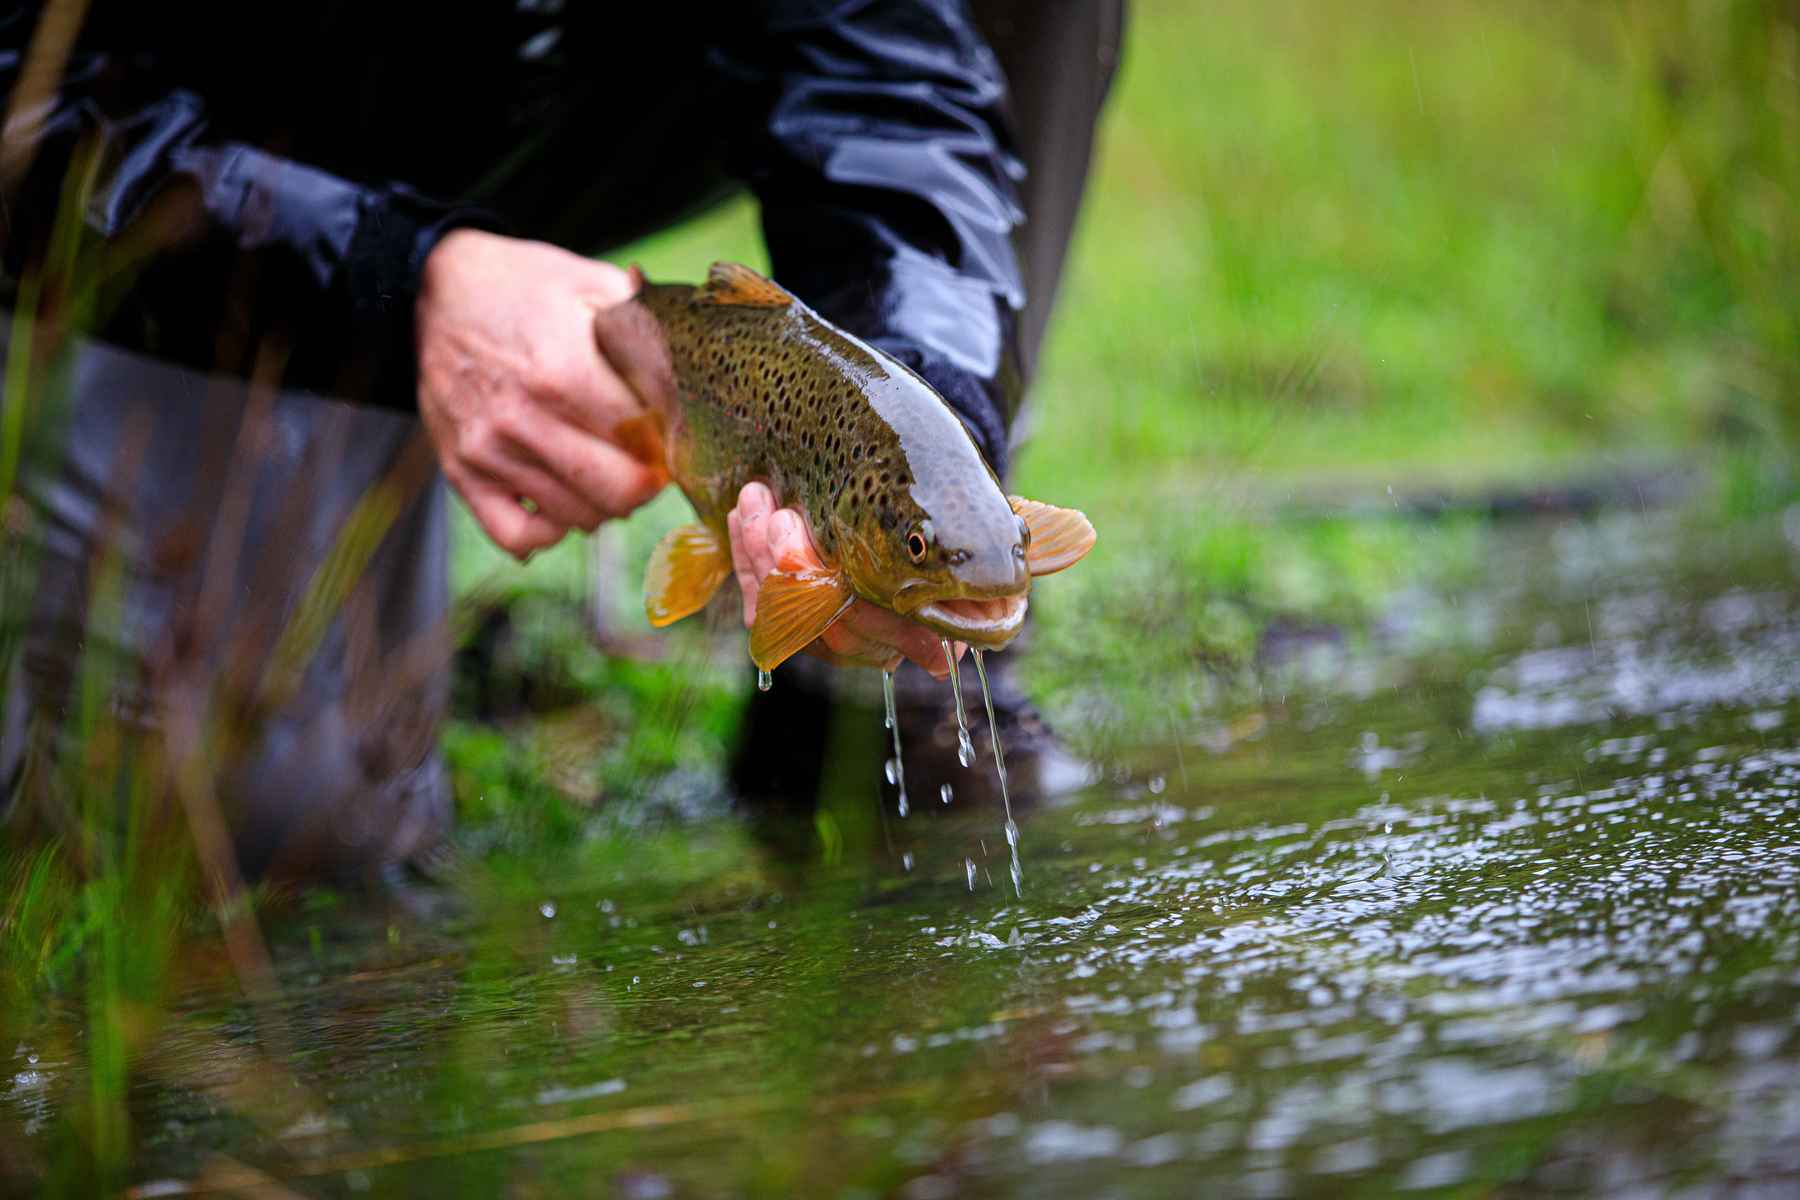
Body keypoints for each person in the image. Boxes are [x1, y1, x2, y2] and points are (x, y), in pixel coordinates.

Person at [0, 2, 1122, 881]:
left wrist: (927, 397)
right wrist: (398, 280)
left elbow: (890, 82)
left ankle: (875, 719)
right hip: (215, 149)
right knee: (247, 835)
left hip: (571, 77)